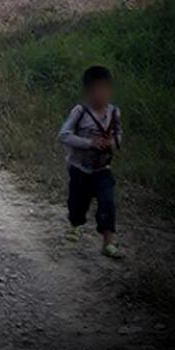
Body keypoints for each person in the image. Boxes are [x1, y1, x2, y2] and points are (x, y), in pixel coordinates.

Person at [58, 65, 124, 260]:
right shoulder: (80, 111)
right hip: (79, 168)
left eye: (105, 89)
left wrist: (112, 144)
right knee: (77, 202)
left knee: (107, 201)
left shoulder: (114, 113)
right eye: (97, 89)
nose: (101, 94)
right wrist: (89, 143)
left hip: (102, 168)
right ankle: (75, 225)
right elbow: (64, 135)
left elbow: (119, 134)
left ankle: (108, 242)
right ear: (88, 91)